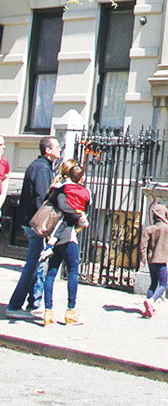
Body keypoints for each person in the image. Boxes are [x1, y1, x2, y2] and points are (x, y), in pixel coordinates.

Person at [6, 136, 61, 318]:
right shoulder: (42, 169)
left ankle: (34, 303)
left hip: (30, 221)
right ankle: (14, 306)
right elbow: (41, 198)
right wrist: (45, 226)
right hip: (36, 224)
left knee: (37, 264)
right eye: (57, 147)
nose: (59, 150)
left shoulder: (40, 166)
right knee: (32, 265)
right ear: (48, 150)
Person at [42, 161, 90, 326]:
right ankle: (71, 311)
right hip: (68, 235)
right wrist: (78, 217)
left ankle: (48, 312)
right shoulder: (75, 191)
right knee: (73, 271)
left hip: (53, 234)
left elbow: (53, 203)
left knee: (51, 273)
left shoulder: (58, 188)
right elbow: (72, 209)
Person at [40, 159, 89, 262]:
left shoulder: (63, 187)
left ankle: (48, 248)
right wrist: (79, 214)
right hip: (62, 226)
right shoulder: (64, 187)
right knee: (72, 267)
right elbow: (62, 206)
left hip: (59, 225)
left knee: (52, 268)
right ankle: (48, 249)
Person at [139, 203, 168, 317]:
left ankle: (149, 307)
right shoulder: (167, 228)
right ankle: (151, 301)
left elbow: (142, 245)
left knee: (153, 283)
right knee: (163, 284)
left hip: (151, 261)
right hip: (161, 261)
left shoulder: (149, 229)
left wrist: (143, 258)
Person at [0, 137, 9, 211]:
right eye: (0, 144)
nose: (4, 147)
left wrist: (2, 198)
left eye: (4, 144)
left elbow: (6, 178)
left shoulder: (4, 161)